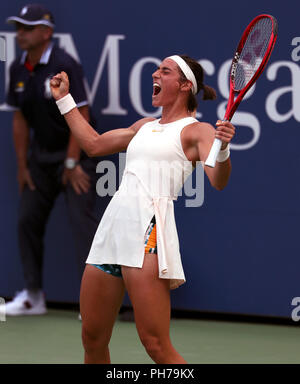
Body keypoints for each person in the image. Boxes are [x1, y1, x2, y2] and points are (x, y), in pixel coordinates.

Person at [50, 54, 236, 364]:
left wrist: (225, 147)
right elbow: (94, 144)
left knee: (155, 344)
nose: (155, 73)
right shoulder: (145, 126)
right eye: (157, 68)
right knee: (92, 338)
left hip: (147, 231)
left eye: (165, 70)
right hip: (112, 229)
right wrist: (65, 100)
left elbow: (218, 180)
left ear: (185, 85)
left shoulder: (197, 131)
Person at [0, 4, 99, 316]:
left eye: (28, 28)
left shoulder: (64, 64)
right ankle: (33, 296)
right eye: (18, 28)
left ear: (46, 33)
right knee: (26, 220)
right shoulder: (17, 68)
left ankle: (93, 303)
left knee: (82, 226)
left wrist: (71, 163)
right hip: (39, 162)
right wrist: (23, 166)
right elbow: (20, 120)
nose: (21, 34)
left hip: (75, 159)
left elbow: (80, 113)